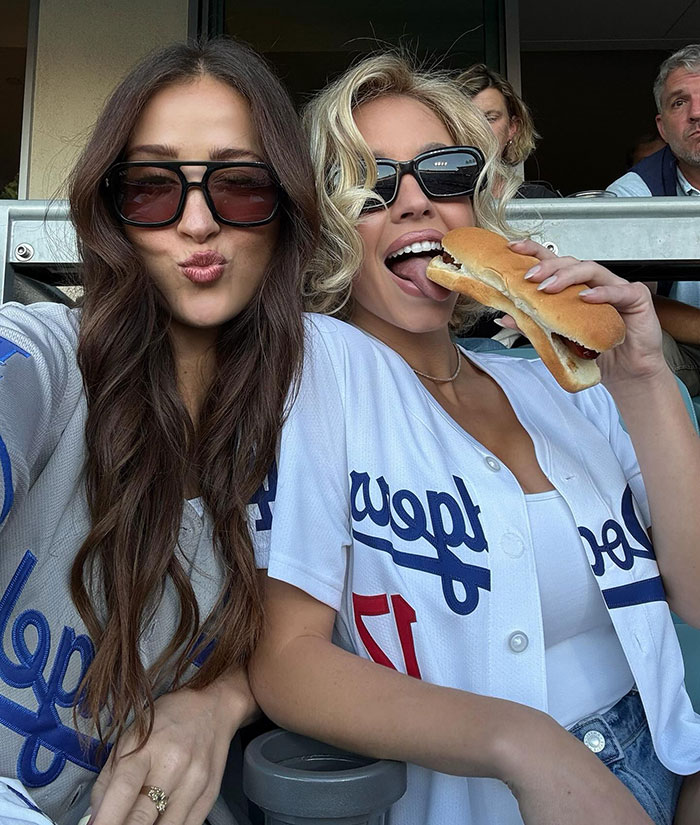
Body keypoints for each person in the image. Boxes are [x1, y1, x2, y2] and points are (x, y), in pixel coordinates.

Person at [250, 53, 700, 825]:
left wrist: (646, 378)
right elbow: (287, 660)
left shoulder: (561, 386)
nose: (415, 203)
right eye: (370, 183)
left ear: (480, 199)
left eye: (445, 172)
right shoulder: (317, 372)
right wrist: (521, 743)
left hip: (659, 756)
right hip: (486, 793)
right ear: (326, 223)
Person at [0, 37, 317, 825]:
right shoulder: (45, 360)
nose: (200, 222)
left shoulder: (308, 434)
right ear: (113, 211)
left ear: (284, 209)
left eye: (241, 185)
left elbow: (321, 628)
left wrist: (222, 700)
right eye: (151, 187)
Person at [608, 44, 700, 395]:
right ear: (663, 127)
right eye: (680, 102)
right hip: (680, 350)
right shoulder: (631, 194)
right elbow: (627, 300)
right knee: (625, 339)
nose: (696, 113)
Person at [457, 63, 559, 198]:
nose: (480, 129)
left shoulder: (538, 200)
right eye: (468, 120)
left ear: (512, 128)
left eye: (491, 118)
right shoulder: (434, 199)